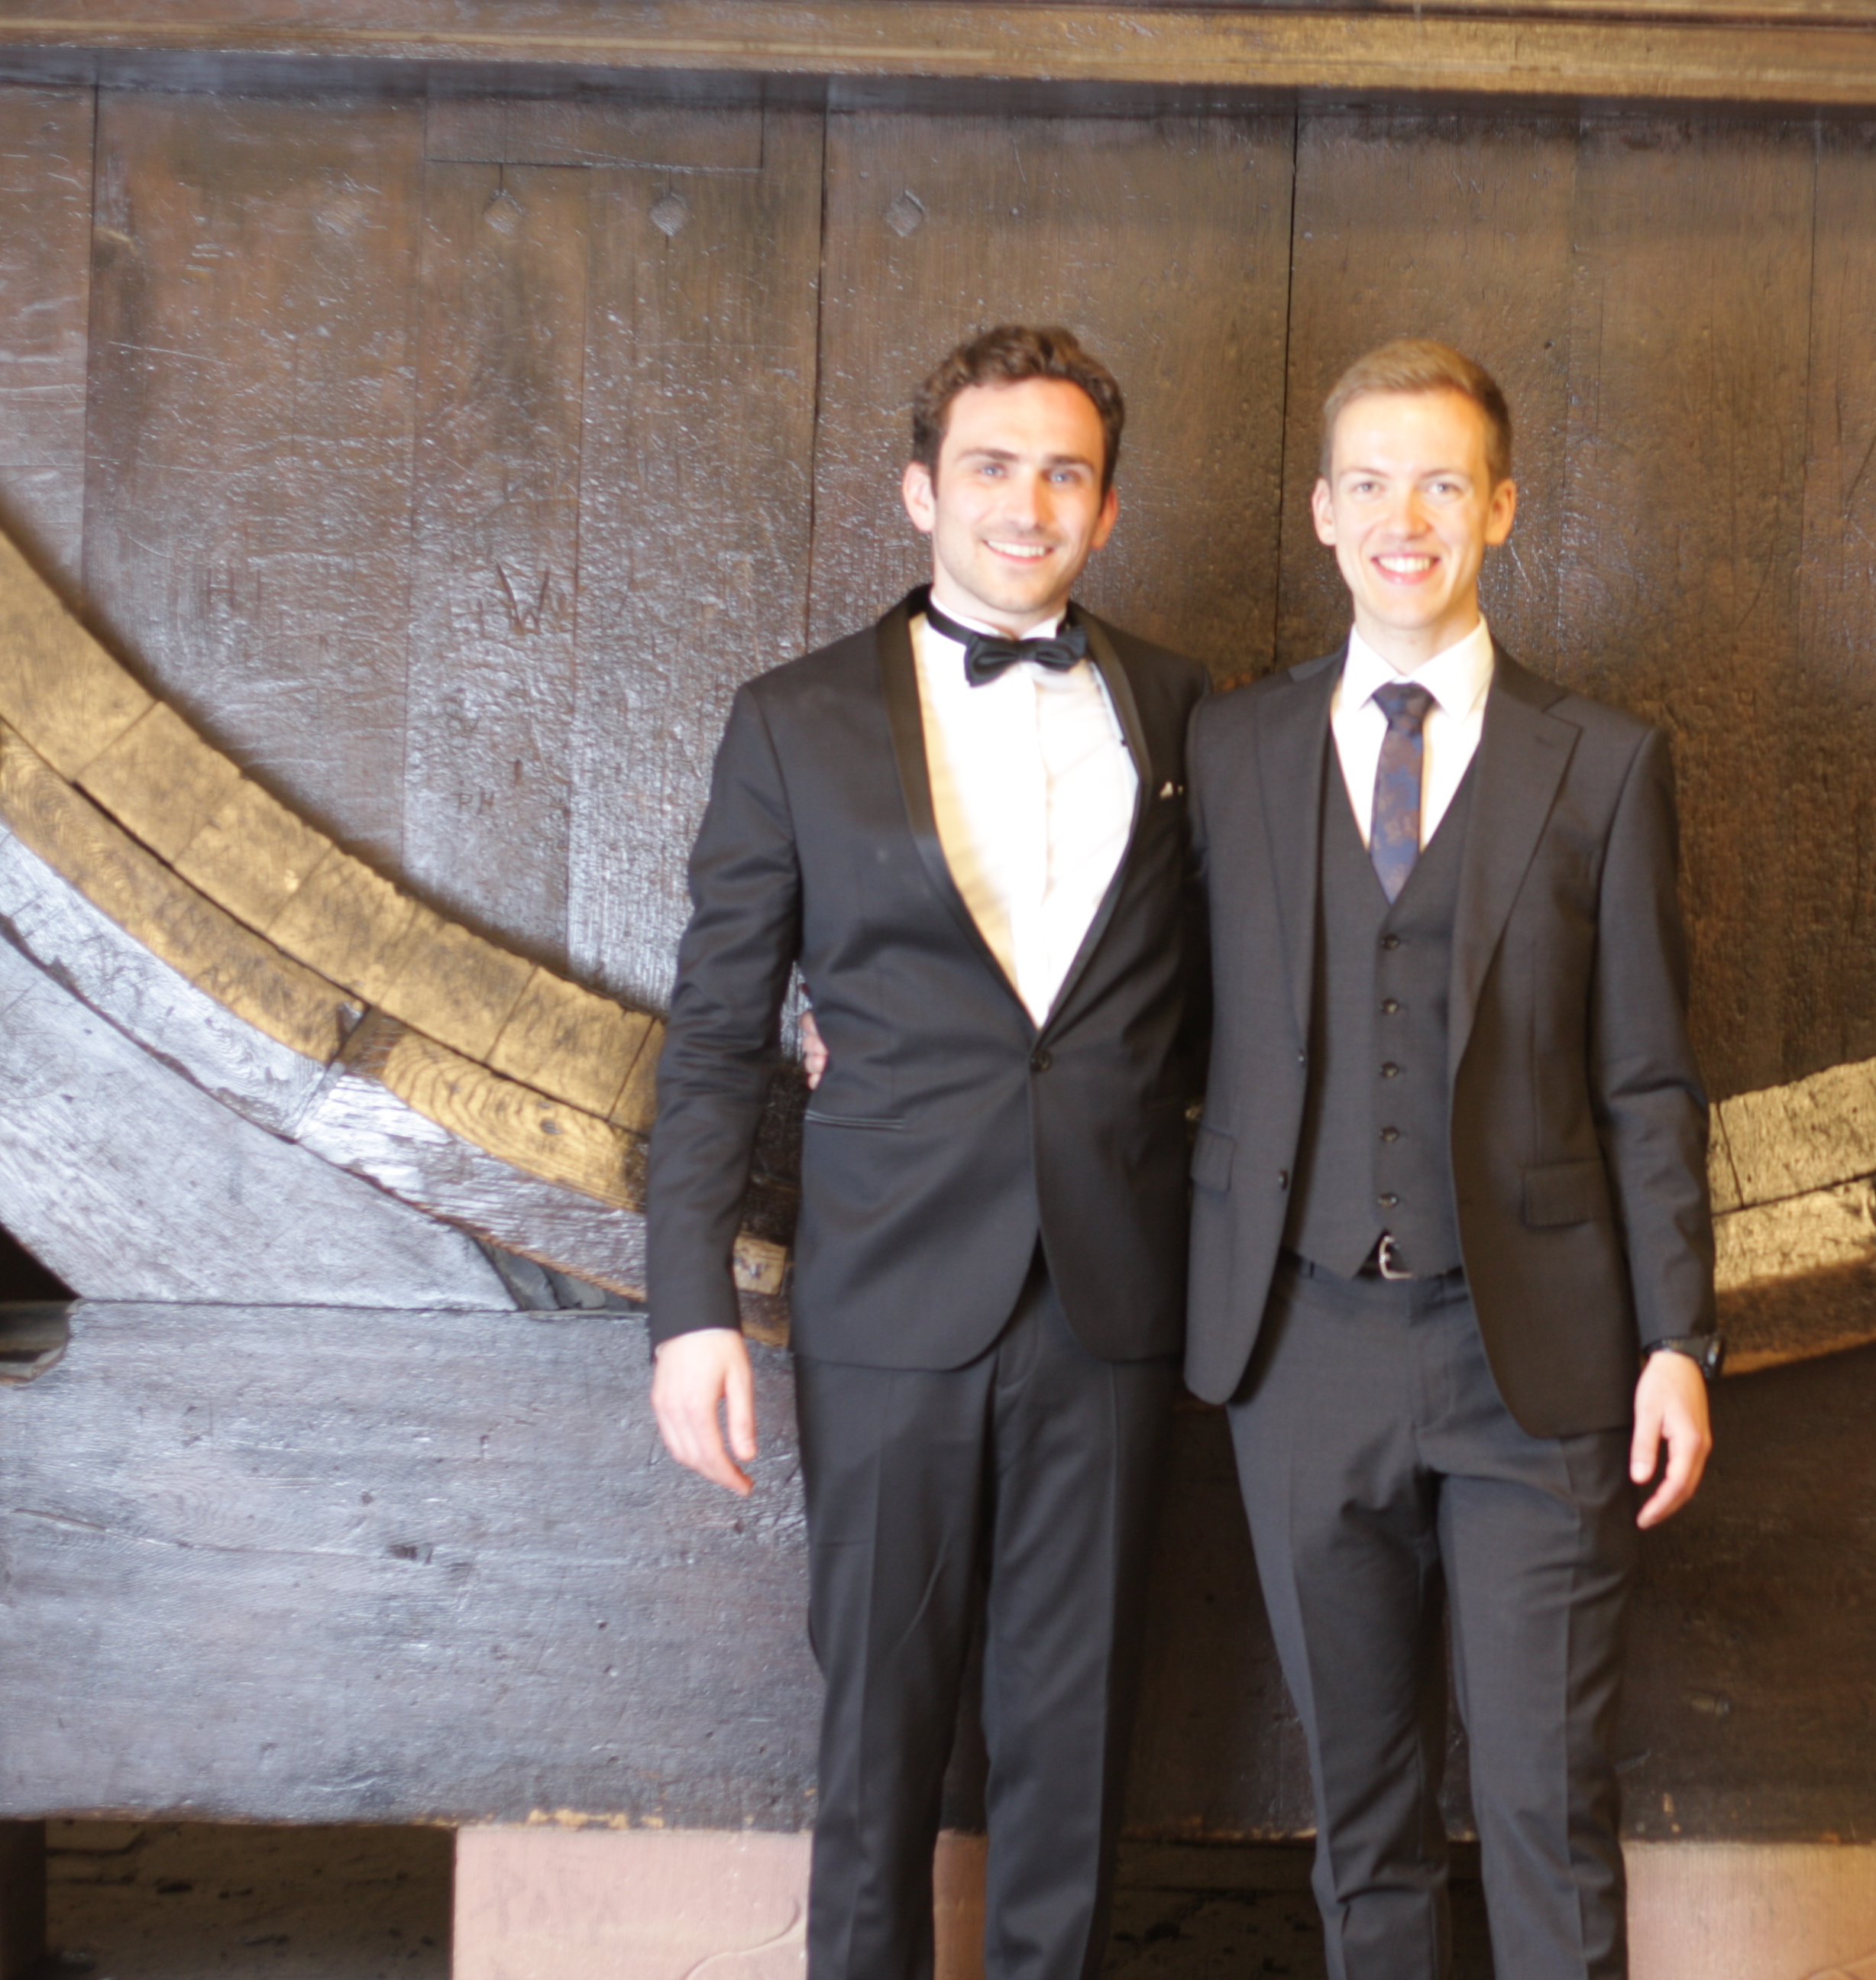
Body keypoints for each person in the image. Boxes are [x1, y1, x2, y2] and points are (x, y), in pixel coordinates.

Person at [642, 325, 1208, 1980]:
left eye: (1065, 473)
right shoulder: (792, 722)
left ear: (1107, 509)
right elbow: (718, 1036)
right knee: (875, 1747)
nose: (1027, 504)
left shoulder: (1191, 712)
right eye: (991, 466)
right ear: (920, 491)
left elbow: (1234, 1001)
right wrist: (689, 1310)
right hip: (885, 1296)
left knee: (1077, 1755)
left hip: (1115, 1300)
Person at [1183, 338, 1717, 1980]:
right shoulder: (1232, 749)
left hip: (1536, 1360)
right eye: (1370, 483)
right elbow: (1137, 1009)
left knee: (1547, 1808)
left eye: (1439, 483)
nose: (1401, 518)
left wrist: (1678, 1342)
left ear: (1500, 508)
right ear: (1323, 513)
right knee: (1364, 1825)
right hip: (1299, 1343)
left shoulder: (1604, 762)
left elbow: (1647, 1076)